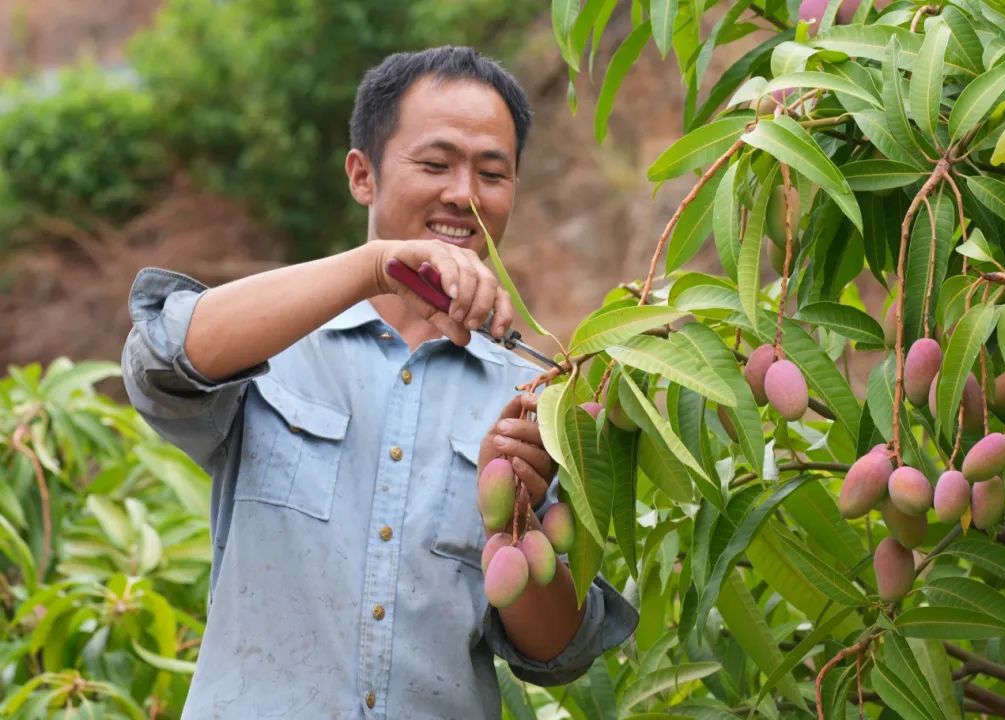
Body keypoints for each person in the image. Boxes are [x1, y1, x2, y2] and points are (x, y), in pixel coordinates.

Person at [121, 45, 637, 719]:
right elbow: (159, 359)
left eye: (492, 173)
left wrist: (512, 526)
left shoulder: (536, 401)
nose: (464, 194)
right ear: (362, 176)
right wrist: (377, 266)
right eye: (434, 163)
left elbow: (559, 652)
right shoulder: (275, 341)